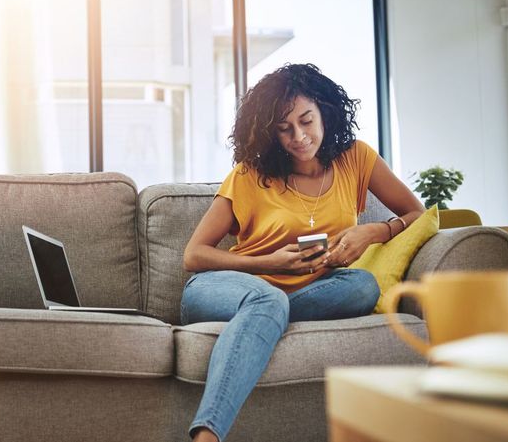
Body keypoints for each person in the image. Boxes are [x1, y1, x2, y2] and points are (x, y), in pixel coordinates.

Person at [181, 63, 425, 442]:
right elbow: (193, 255)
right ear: (269, 133)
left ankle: (267, 319)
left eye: (306, 120)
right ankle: (207, 437)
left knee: (362, 285)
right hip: (226, 289)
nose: (299, 136)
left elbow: (417, 214)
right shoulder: (248, 175)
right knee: (268, 299)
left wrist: (373, 232)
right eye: (284, 128)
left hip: (311, 293)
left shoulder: (356, 159)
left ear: (324, 111)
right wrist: (267, 262)